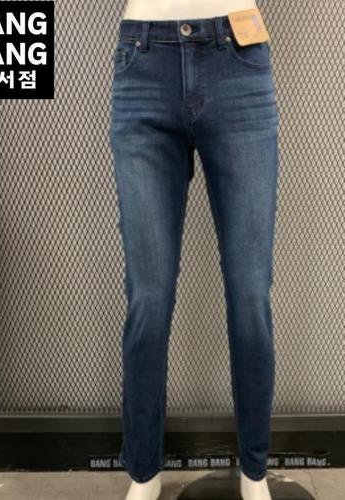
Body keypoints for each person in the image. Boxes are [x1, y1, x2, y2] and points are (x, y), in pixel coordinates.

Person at [109, 2, 279, 499]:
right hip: (143, 63)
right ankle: (144, 473)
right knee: (148, 298)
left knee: (250, 296)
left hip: (238, 65)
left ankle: (254, 472)